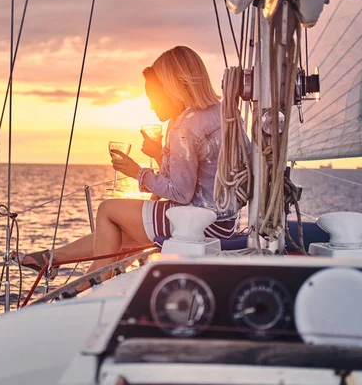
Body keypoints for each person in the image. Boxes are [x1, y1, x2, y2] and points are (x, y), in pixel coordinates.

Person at [16, 46, 239, 284]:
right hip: (223, 220)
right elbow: (200, 176)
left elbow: (181, 193)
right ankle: (56, 263)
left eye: (154, 97)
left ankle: (94, 280)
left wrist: (137, 172)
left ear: (174, 87)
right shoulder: (222, 112)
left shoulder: (185, 127)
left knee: (108, 211)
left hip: (197, 224)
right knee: (116, 232)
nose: (152, 106)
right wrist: (159, 154)